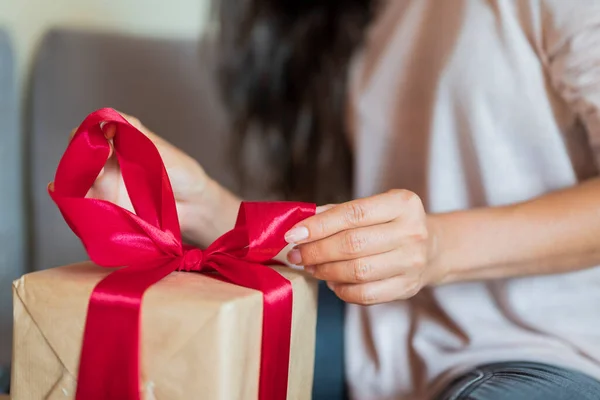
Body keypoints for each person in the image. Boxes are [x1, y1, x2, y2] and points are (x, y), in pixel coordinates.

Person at [74, 0, 600, 399]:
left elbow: (418, 245)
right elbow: (367, 242)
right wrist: (208, 210)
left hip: (543, 349)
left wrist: (439, 247)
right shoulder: (365, 22)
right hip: (374, 342)